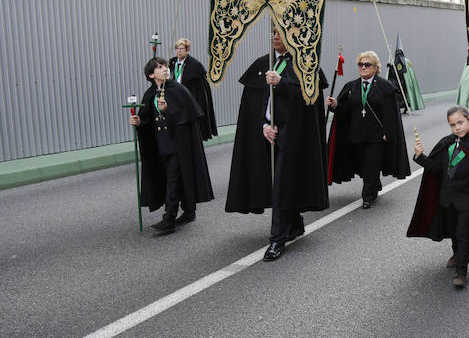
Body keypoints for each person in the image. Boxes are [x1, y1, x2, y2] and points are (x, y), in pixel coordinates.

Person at [225, 28, 329, 262]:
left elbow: (308, 101)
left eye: (280, 33)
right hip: (268, 134)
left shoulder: (305, 64)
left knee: (283, 182)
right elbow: (254, 104)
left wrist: (282, 83)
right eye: (272, 32)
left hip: (294, 135)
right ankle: (293, 223)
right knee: (277, 181)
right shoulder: (264, 63)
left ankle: (277, 238)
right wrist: (263, 125)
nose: (274, 37)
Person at [407, 105, 469, 288]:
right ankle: (457, 254)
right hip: (447, 199)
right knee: (453, 232)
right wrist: (420, 157)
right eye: (452, 125)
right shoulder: (447, 143)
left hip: (468, 200)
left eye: (460, 122)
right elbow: (436, 169)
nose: (457, 127)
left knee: (463, 233)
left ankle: (461, 271)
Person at [129, 58, 214, 233]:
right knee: (171, 177)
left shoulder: (178, 90)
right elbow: (148, 119)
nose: (165, 69)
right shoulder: (150, 93)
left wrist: (169, 109)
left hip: (178, 144)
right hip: (161, 144)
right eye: (159, 68)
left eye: (165, 66)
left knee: (173, 179)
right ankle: (189, 211)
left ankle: (169, 218)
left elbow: (187, 116)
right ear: (151, 74)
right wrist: (139, 122)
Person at [327, 51, 411, 209]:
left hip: (376, 137)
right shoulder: (351, 86)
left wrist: (388, 132)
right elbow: (345, 111)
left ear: (375, 68)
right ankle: (374, 183)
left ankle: (368, 196)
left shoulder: (385, 87)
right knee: (363, 165)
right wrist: (335, 105)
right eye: (361, 64)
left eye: (367, 64)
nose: (363, 67)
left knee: (371, 164)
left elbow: (391, 113)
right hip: (356, 135)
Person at [169, 38, 217, 141]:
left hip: (188, 99)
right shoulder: (172, 62)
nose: (179, 51)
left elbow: (200, 89)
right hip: (174, 98)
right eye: (177, 48)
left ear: (187, 50)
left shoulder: (195, 65)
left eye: (181, 49)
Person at [387, 35, 425, 113]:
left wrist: (409, 82)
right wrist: (389, 66)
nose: (398, 54)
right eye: (397, 52)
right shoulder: (393, 61)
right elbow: (391, 74)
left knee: (406, 95)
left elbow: (410, 75)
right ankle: (398, 106)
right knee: (397, 95)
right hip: (397, 82)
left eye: (399, 52)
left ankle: (407, 106)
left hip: (405, 82)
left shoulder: (407, 61)